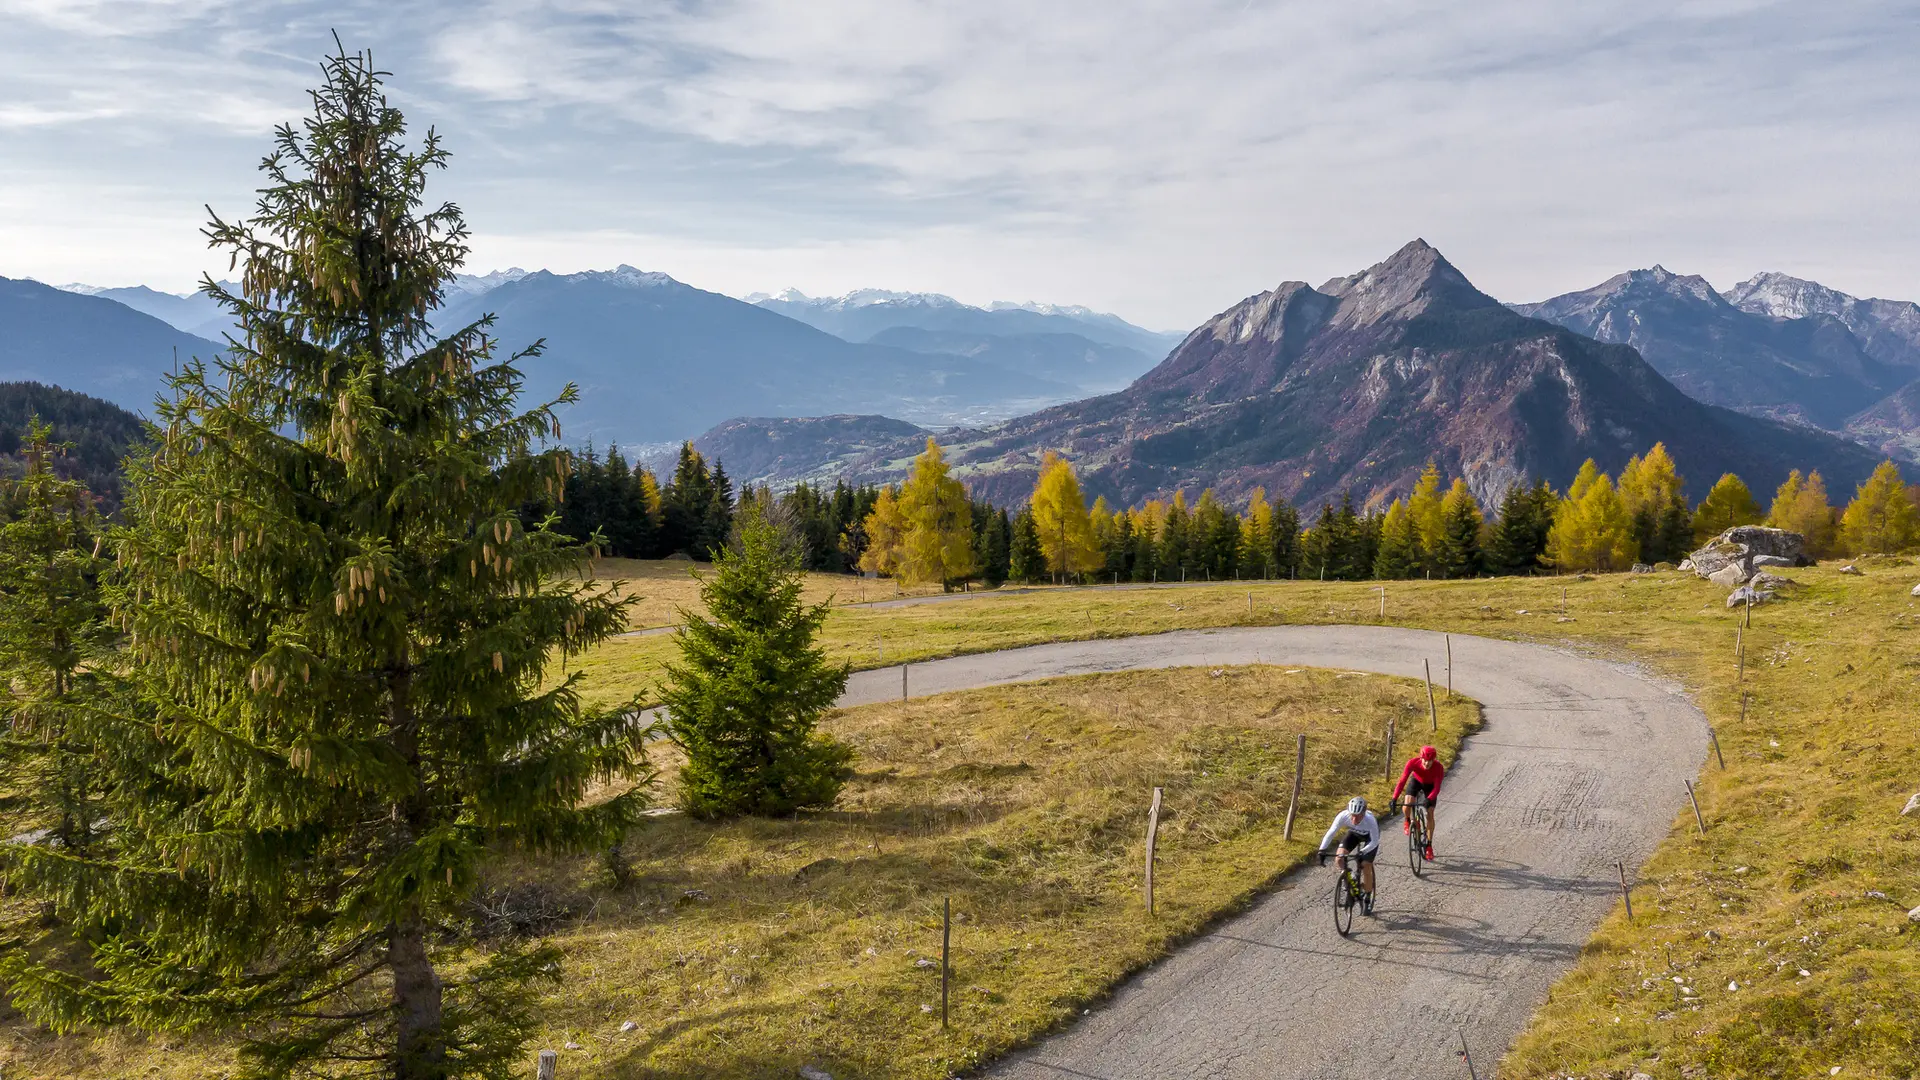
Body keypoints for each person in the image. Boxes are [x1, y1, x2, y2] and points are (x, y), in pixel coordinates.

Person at [1317, 796, 1380, 913]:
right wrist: (1322, 850)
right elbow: (1331, 832)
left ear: (1364, 813)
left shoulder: (1370, 820)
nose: (1354, 819)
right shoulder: (1343, 816)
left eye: (1357, 816)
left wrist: (1362, 852)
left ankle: (1367, 897)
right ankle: (1349, 879)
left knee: (1366, 865)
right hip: (1353, 834)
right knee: (1339, 858)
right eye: (1352, 815)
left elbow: (1375, 841)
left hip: (1369, 839)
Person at [1390, 744, 1445, 861]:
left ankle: (1429, 845)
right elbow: (1402, 781)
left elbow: (1437, 788)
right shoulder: (1412, 763)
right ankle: (1407, 820)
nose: (1427, 764)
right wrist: (1394, 798)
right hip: (1417, 781)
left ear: (1433, 760)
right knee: (1407, 804)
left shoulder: (1438, 768)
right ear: (1421, 758)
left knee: (1430, 813)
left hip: (1430, 787)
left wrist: (1429, 799)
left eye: (1430, 761)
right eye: (1425, 761)